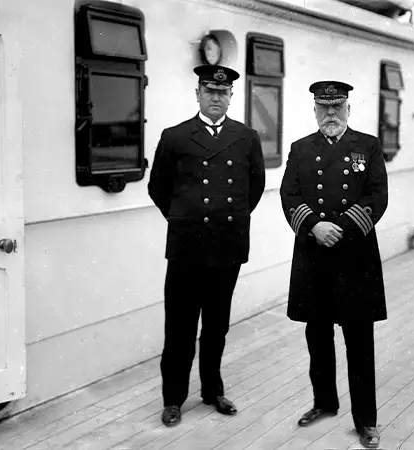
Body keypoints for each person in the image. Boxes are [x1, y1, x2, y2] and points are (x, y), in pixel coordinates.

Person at [148, 64, 266, 427]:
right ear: (197, 94)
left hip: (226, 247)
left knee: (217, 326)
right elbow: (158, 187)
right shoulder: (174, 136)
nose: (216, 98)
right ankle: (173, 399)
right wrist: (186, 218)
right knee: (179, 327)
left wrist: (223, 221)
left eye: (223, 93)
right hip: (186, 248)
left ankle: (212, 391)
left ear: (231, 96)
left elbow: (254, 188)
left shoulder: (246, 137)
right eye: (210, 92)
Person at [279, 81, 388, 448]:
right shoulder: (300, 149)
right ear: (314, 111)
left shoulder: (368, 146)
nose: (330, 114)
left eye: (337, 107)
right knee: (318, 335)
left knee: (359, 342)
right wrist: (314, 226)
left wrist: (339, 228)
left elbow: (378, 196)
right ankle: (324, 403)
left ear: (348, 109)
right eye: (324, 107)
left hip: (354, 256)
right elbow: (288, 195)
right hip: (314, 256)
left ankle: (367, 421)